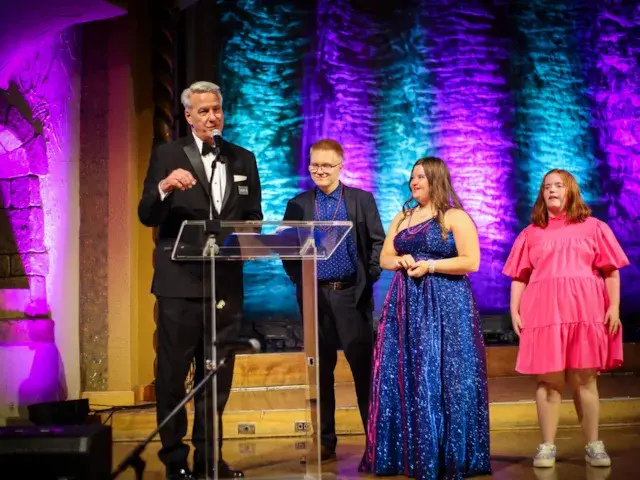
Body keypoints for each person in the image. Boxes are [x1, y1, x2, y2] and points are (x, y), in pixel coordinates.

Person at [138, 81, 262, 479]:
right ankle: (174, 462)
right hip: (179, 285)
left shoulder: (243, 158)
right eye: (203, 111)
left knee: (217, 378)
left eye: (217, 109)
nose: (212, 117)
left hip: (224, 285)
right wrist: (164, 187)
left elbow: (254, 216)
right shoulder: (168, 155)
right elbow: (146, 214)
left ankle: (209, 460)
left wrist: (250, 236)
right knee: (173, 377)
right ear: (188, 116)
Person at [359, 157, 491, 480]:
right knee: (406, 370)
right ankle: (408, 454)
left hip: (446, 303)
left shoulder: (454, 216)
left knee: (441, 372)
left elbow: (471, 261)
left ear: (436, 179)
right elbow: (384, 258)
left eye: (421, 177)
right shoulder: (403, 217)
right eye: (413, 177)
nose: (414, 182)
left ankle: (444, 454)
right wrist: (401, 260)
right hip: (406, 302)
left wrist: (430, 266)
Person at [502, 169, 629, 469]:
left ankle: (594, 444)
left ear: (571, 190)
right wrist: (514, 310)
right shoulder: (531, 233)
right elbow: (519, 276)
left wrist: (614, 307)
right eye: (547, 186)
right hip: (545, 313)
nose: (552, 190)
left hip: (586, 312)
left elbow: (611, 270)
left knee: (585, 378)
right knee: (549, 380)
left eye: (558, 185)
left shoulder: (594, 228)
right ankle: (547, 445)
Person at [281, 139, 385, 461]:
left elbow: (378, 243)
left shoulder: (360, 200)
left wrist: (368, 277)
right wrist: (300, 280)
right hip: (314, 297)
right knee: (320, 372)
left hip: (351, 295)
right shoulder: (297, 204)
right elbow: (286, 249)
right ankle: (325, 443)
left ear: (340, 166)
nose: (320, 170)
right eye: (315, 164)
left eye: (327, 165)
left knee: (363, 370)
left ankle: (376, 442)